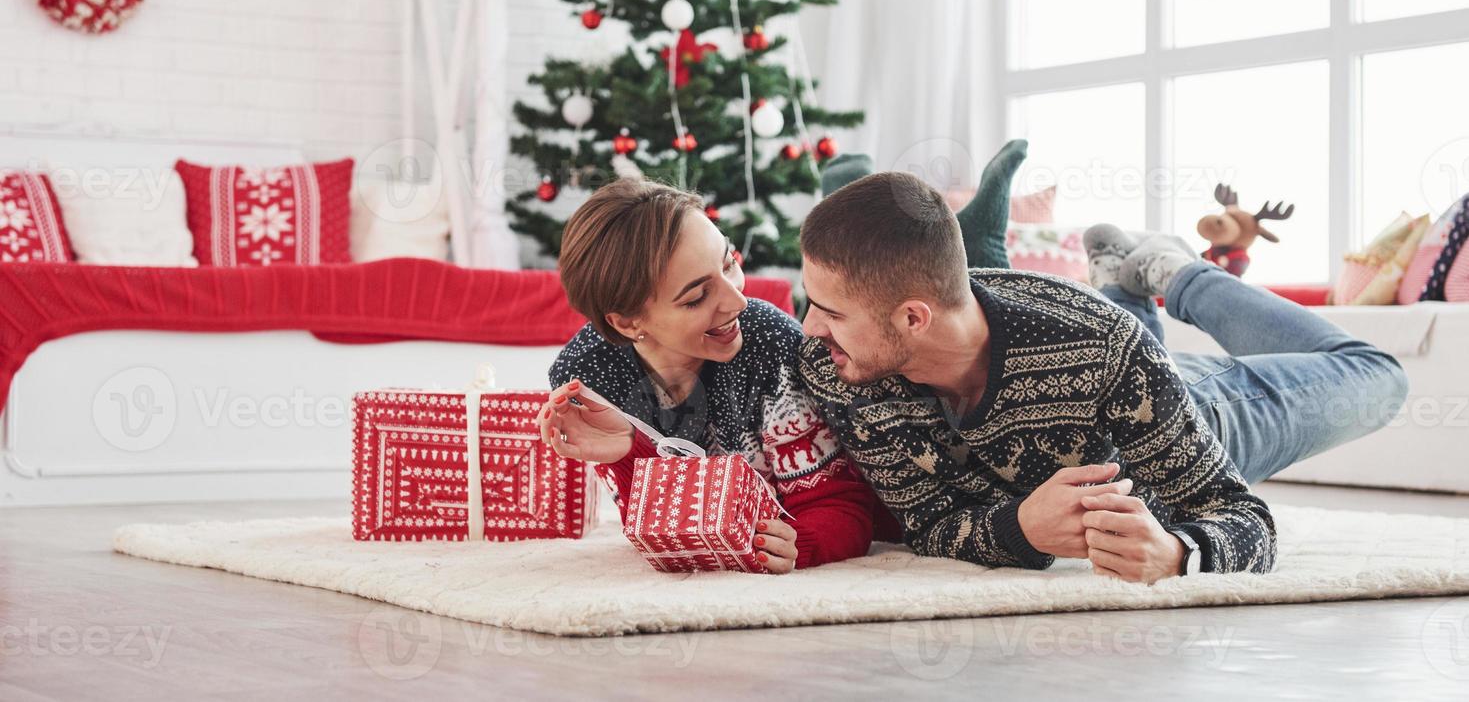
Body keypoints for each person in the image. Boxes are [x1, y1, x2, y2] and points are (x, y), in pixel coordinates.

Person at [794, 172, 1408, 584]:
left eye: (830, 311)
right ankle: (1121, 281)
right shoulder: (840, 368)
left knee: (1380, 377)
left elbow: (1244, 518)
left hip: (1204, 409)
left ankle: (1177, 276)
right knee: (1126, 351)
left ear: (912, 317)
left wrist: (1175, 554)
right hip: (1122, 385)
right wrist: (1021, 529)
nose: (811, 328)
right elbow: (928, 522)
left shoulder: (1102, 347)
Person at [536, 178, 897, 574]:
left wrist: (801, 544)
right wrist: (627, 450)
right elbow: (661, 527)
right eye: (696, 298)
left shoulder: (771, 344)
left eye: (730, 263)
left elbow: (843, 506)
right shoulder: (588, 376)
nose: (737, 300)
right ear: (626, 322)